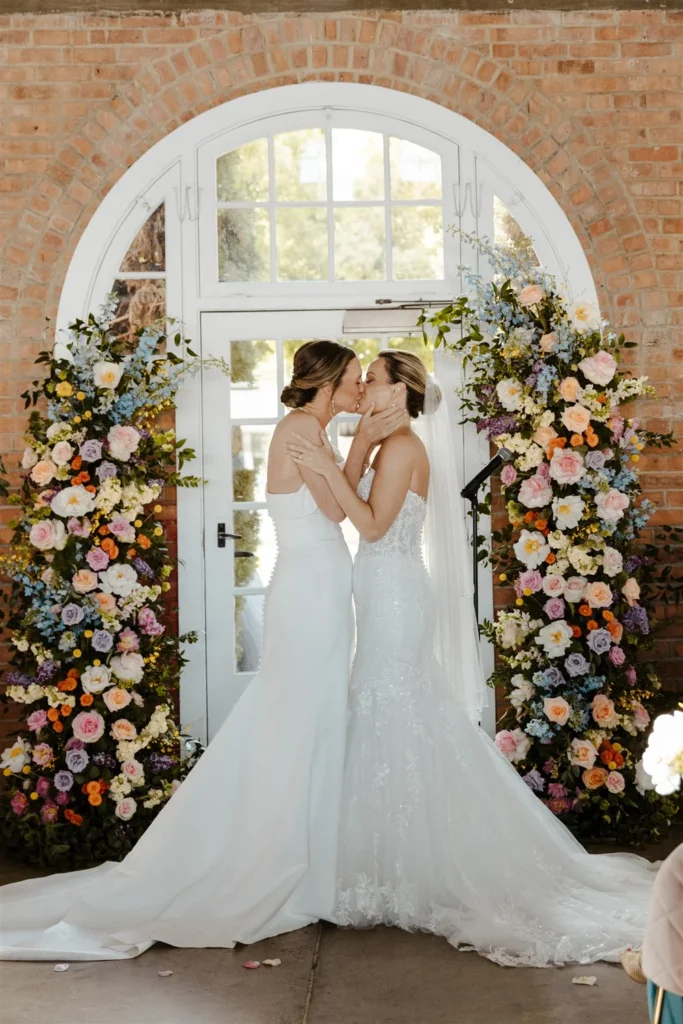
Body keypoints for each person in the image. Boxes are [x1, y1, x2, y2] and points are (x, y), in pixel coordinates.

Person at [0, 340, 404, 961]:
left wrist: (353, 452)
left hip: (319, 584)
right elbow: (337, 513)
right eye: (354, 378)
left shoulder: (312, 429)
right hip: (309, 589)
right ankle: (279, 861)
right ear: (328, 382)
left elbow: (334, 501)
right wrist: (360, 449)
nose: (359, 389)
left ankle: (309, 858)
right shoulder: (301, 428)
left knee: (313, 718)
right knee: (299, 717)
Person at [286, 349, 658, 967]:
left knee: (395, 708)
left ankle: (412, 866)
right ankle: (393, 858)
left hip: (396, 595)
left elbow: (371, 527)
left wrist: (328, 463)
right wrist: (348, 456)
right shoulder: (386, 446)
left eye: (373, 380)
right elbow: (356, 513)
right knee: (390, 713)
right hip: (381, 592)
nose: (364, 387)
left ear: (399, 391)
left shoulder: (403, 449)